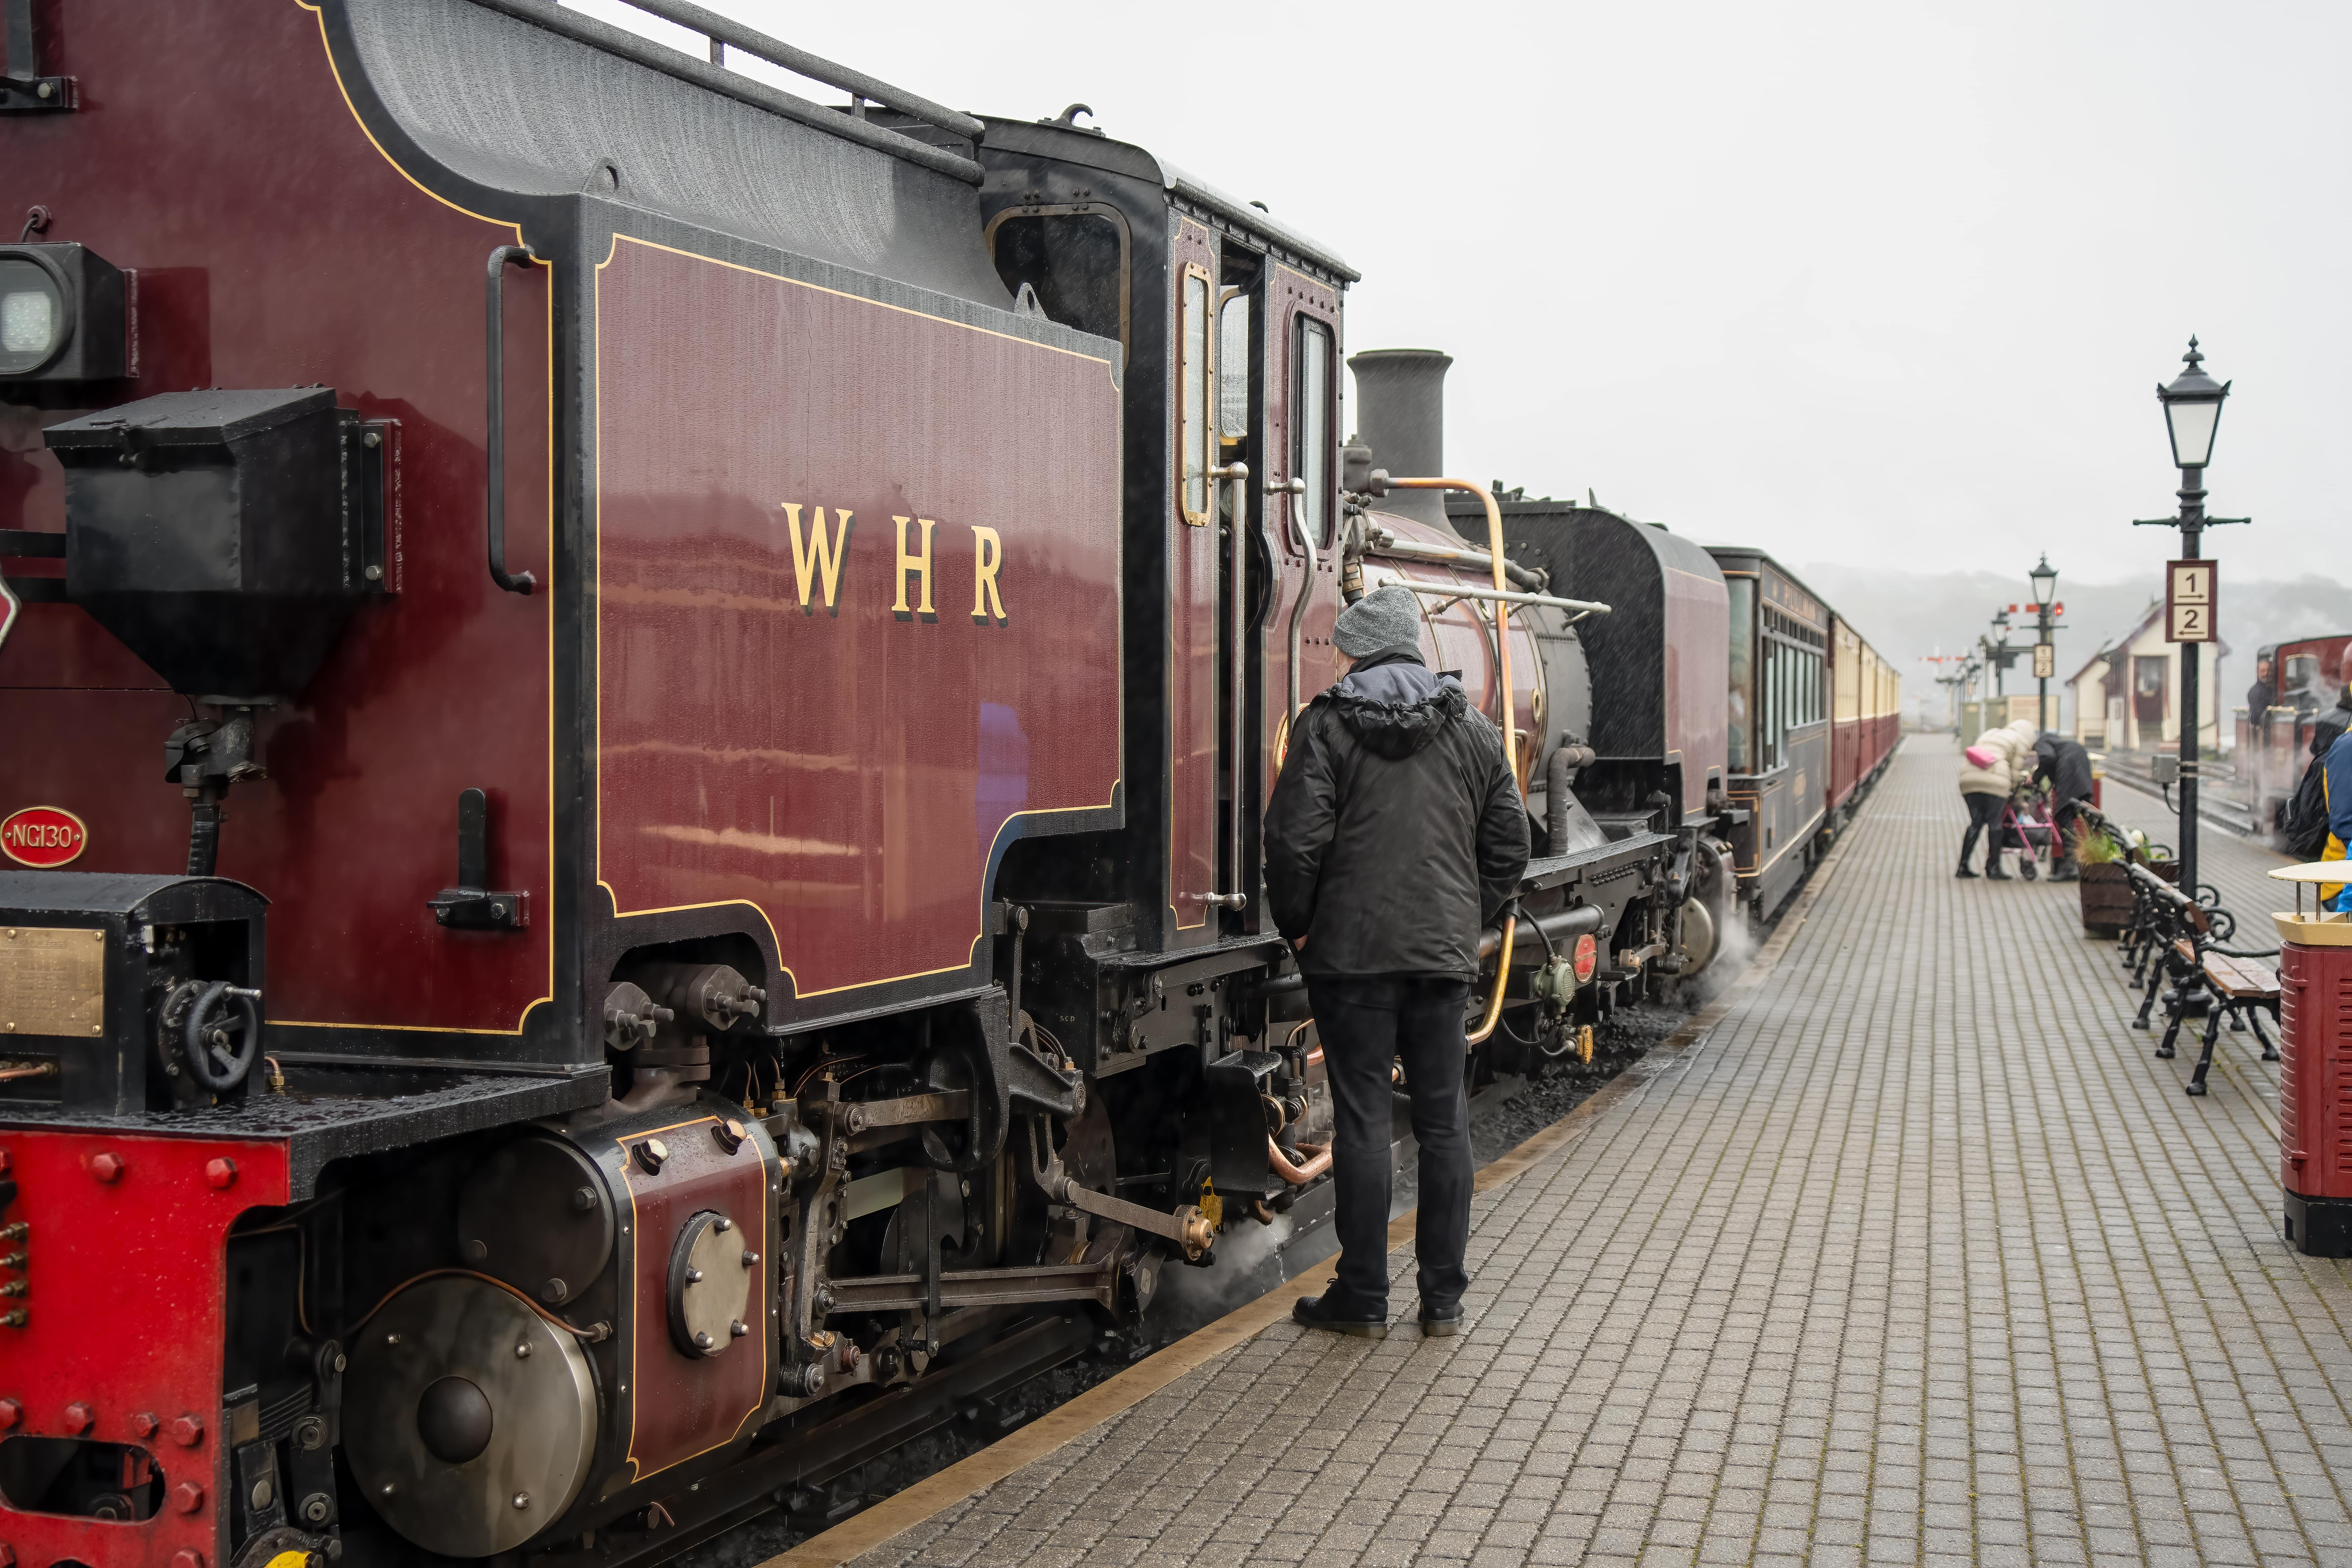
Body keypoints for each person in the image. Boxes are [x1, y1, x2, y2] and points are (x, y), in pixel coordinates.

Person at [1263, 583, 1529, 1339]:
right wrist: (1463, 918)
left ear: (1356, 649)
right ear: (1415, 647)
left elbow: (1293, 842)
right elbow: (1511, 844)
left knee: (1363, 1122)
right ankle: (1443, 1298)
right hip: (1440, 962)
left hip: (1351, 962)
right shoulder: (1474, 731)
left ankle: (1364, 1295)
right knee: (1445, 1122)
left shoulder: (1326, 726)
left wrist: (1302, 927)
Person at [1957, 718, 2035, 880]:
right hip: (1995, 781)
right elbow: (2015, 775)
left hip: (1968, 779)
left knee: (1976, 822)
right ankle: (1994, 868)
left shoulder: (1991, 734)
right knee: (1995, 823)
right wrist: (2019, 800)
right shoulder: (2019, 741)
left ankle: (1963, 866)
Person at [2032, 731, 2096, 882]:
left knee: (2064, 815)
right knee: (2086, 814)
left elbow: (2048, 758)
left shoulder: (2042, 742)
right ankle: (2097, 861)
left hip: (2069, 768)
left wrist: (2035, 779)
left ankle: (2070, 868)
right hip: (2081, 764)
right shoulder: (2061, 743)